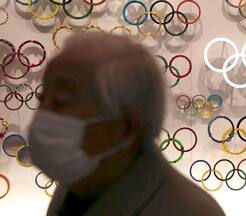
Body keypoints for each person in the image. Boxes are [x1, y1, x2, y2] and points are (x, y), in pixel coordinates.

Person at [28, 32, 225, 216]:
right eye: (42, 98)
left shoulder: (189, 211)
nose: (42, 115)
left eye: (61, 102)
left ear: (124, 128)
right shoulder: (74, 189)